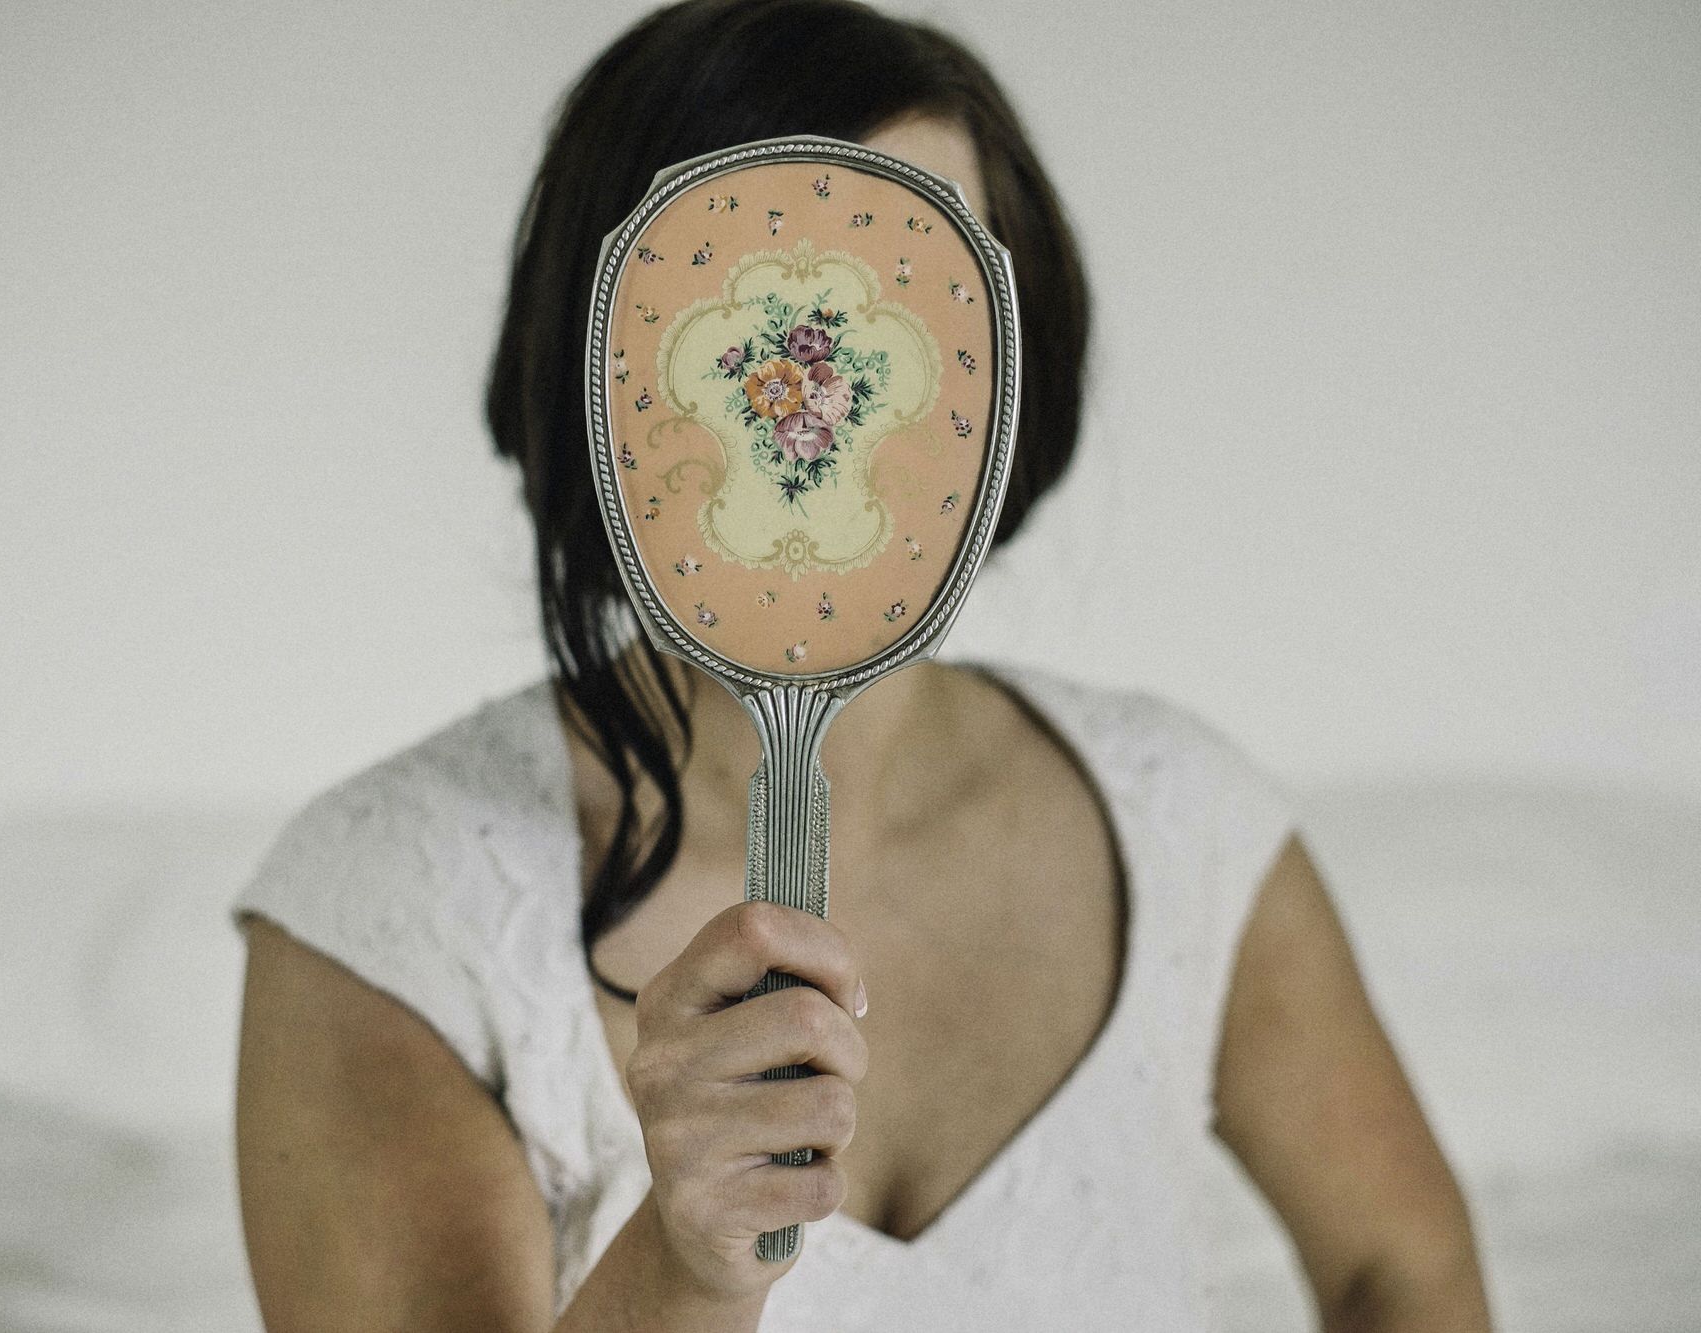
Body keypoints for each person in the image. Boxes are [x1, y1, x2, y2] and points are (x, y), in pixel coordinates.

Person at [230, 1, 1495, 1329]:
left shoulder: (1188, 821)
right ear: (606, 372)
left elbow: (1402, 1266)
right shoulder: (377, 912)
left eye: (923, 278)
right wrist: (687, 1261)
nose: (816, 369)